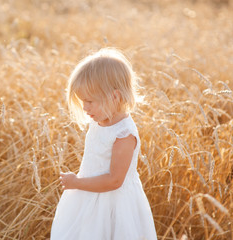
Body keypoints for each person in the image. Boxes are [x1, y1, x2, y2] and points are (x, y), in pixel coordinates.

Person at [50, 48, 157, 240]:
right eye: (83, 101)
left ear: (114, 97)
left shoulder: (123, 134)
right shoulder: (99, 121)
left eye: (90, 101)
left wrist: (77, 183)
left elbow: (115, 180)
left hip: (114, 203)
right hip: (90, 195)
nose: (84, 107)